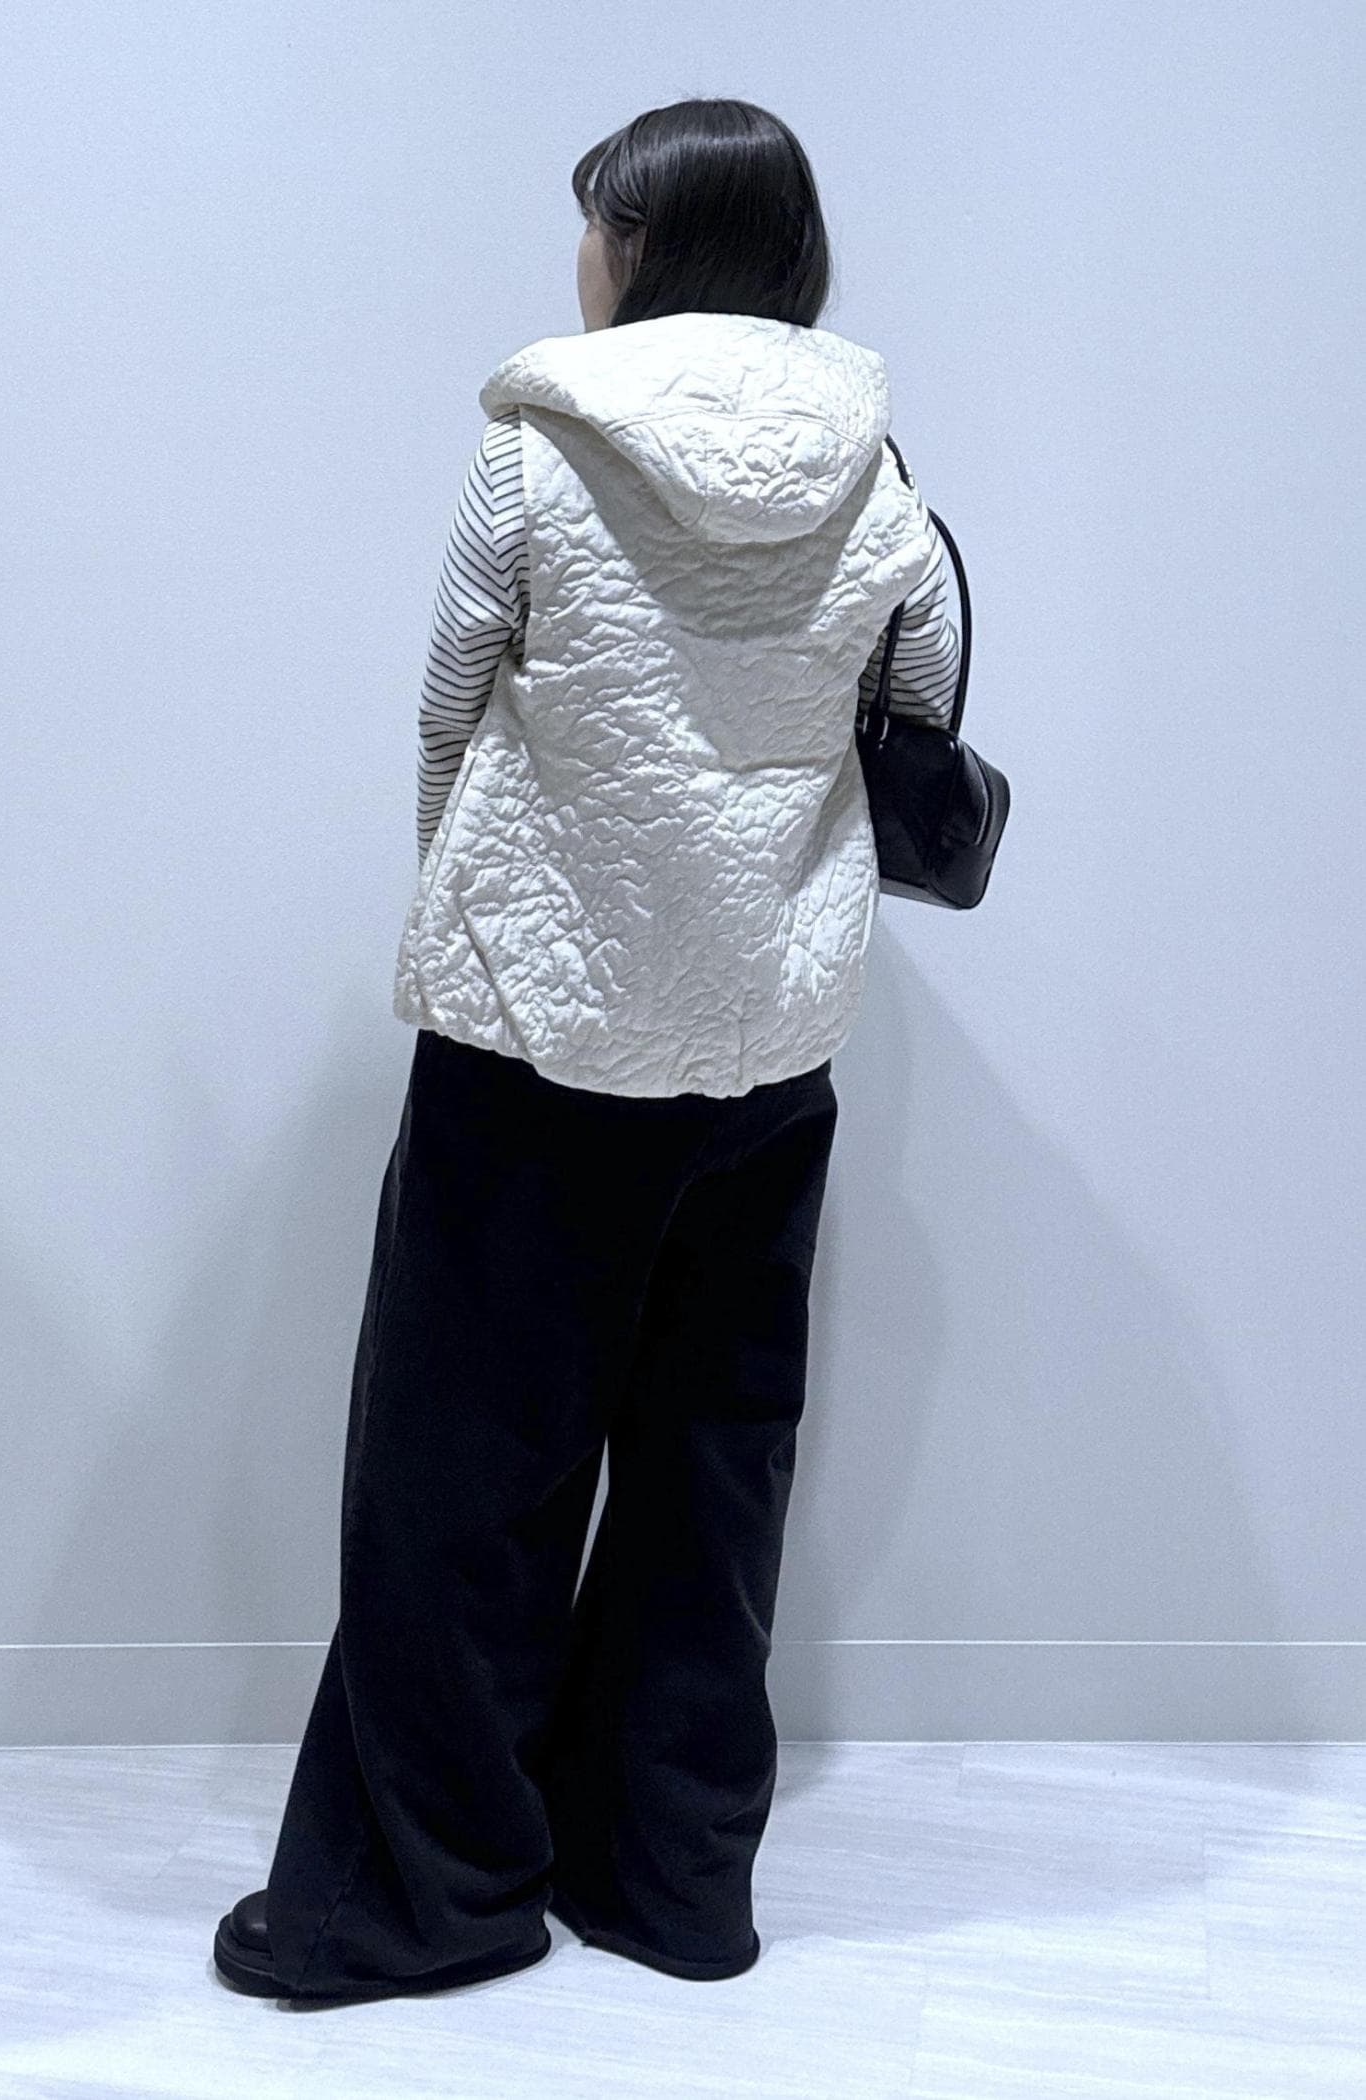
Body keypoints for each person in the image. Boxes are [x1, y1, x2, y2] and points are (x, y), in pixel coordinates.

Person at [213, 95, 960, 2005]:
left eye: (601, 224)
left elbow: (447, 713)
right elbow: (921, 712)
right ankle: (672, 1878)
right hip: (768, 1044)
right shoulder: (883, 477)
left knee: (461, 1471)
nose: (583, 254)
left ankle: (424, 1898)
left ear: (647, 246)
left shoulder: (533, 455)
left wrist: (471, 912)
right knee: (716, 1463)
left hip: (535, 1039)